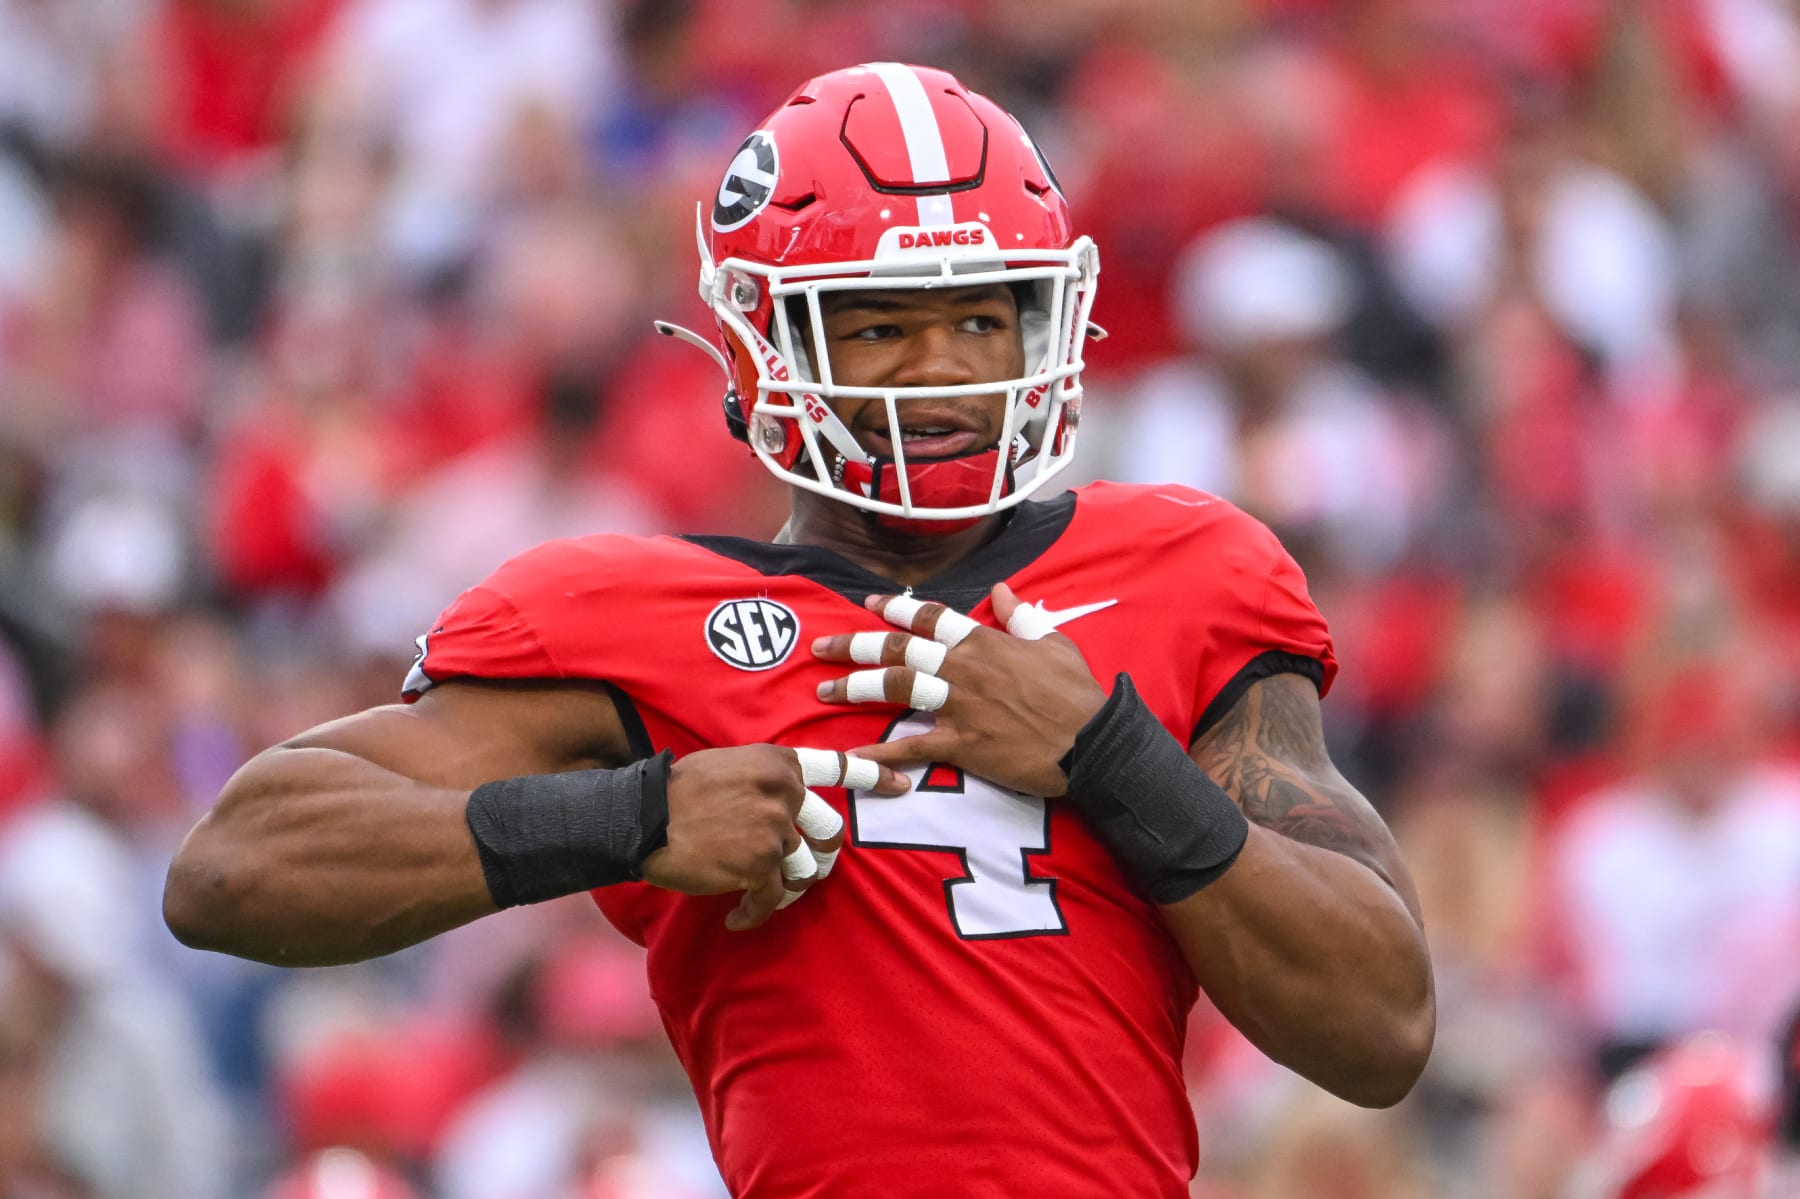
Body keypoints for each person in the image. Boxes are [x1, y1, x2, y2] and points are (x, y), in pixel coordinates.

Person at [164, 63, 1434, 1197]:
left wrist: (1111, 755)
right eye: (879, 324)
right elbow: (232, 869)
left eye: (980, 317)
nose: (943, 367)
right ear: (763, 341)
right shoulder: (623, 613)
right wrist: (634, 816)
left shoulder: (1186, 568)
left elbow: (1381, 1025)